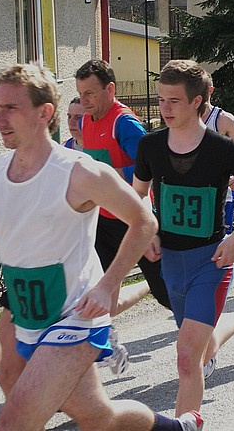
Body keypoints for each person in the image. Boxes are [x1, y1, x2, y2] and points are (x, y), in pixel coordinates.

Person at [0, 63, 202, 431]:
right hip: (28, 311)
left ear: (44, 113)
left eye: (11, 108)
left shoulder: (79, 172)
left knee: (12, 423)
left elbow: (144, 221)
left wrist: (107, 286)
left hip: (76, 315)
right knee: (97, 416)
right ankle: (178, 427)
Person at [133, 60, 234, 417]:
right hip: (170, 264)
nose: (165, 108)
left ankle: (185, 423)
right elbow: (137, 195)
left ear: (197, 101)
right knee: (203, 347)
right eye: (161, 100)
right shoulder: (150, 146)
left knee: (187, 358)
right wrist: (148, 226)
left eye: (174, 101)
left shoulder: (222, 149)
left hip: (211, 262)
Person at [76, 59, 171, 314]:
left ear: (110, 89)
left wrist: (116, 172)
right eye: (80, 94)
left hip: (133, 220)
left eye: (89, 93)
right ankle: (106, 337)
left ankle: (204, 325)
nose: (84, 100)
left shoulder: (124, 123)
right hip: (101, 220)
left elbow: (154, 164)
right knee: (98, 293)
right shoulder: (85, 121)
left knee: (166, 293)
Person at [201, 76, 234, 282]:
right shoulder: (183, 118)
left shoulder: (222, 119)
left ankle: (227, 269)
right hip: (196, 195)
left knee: (218, 245)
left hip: (223, 196)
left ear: (210, 91)